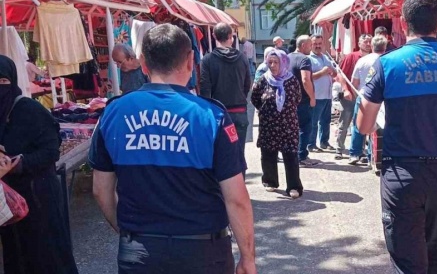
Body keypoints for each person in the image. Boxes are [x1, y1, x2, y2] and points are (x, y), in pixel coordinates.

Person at [90, 24, 256, 274]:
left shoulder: (113, 113)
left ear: (143, 63)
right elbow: (236, 199)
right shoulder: (211, 117)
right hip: (203, 253)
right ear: (191, 61)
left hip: (140, 252)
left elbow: (101, 191)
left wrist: (129, 233)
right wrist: (248, 257)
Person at [357, 0, 437, 274]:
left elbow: (364, 125)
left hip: (403, 175)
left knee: (407, 260)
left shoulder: (386, 64)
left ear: (403, 22)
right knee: (436, 249)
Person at [0, 55, 79, 274]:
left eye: (3, 82)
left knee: (46, 255)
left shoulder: (29, 110)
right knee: (16, 255)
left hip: (38, 197)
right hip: (8, 206)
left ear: (13, 81)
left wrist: (18, 164)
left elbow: (50, 151)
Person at [251, 49, 303, 198]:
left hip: (288, 125)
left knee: (291, 155)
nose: (272, 65)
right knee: (268, 153)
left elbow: (297, 98)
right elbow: (255, 98)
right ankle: (270, 181)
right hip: (269, 125)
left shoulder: (292, 80)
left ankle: (294, 186)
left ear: (283, 62)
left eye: (276, 62)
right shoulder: (263, 79)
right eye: (270, 62)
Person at [200, 23, 252, 166]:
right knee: (238, 154)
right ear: (231, 37)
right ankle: (239, 184)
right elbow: (248, 84)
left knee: (219, 155)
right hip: (239, 111)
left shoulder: (208, 60)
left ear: (214, 36)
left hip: (219, 114)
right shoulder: (242, 58)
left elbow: (205, 89)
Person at [348, 35, 387, 165]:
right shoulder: (386, 60)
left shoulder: (362, 61)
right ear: (385, 47)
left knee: (358, 125)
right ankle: (372, 155)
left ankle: (354, 153)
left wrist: (357, 95)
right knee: (376, 126)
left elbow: (354, 82)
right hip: (381, 98)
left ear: (371, 46)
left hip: (363, 95)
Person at [334, 34, 372, 159]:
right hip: (350, 96)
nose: (367, 44)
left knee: (362, 124)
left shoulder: (374, 57)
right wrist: (345, 90)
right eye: (365, 41)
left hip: (366, 97)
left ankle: (360, 150)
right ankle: (339, 148)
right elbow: (341, 74)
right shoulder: (351, 57)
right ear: (359, 43)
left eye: (369, 41)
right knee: (344, 122)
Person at [288, 35, 318, 166]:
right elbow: (306, 80)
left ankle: (293, 154)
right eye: (310, 45)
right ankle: (302, 156)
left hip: (289, 99)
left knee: (291, 128)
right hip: (302, 100)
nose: (311, 48)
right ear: (304, 45)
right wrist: (312, 97)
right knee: (305, 128)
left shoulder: (287, 58)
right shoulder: (304, 59)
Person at [308, 35, 337, 152]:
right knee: (313, 122)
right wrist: (323, 71)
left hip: (327, 95)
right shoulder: (308, 59)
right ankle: (311, 144)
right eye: (315, 44)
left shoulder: (325, 57)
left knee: (326, 121)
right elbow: (308, 77)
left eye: (320, 43)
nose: (318, 46)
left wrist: (333, 71)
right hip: (316, 95)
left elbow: (334, 74)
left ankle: (324, 142)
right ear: (311, 44)